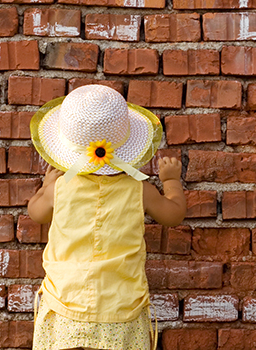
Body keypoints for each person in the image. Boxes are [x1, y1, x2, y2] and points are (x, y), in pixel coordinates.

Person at [27, 84, 186, 350]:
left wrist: (44, 187)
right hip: (121, 311)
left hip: (65, 306)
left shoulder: (59, 187)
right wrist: (170, 182)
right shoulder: (141, 190)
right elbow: (174, 215)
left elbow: (36, 213)